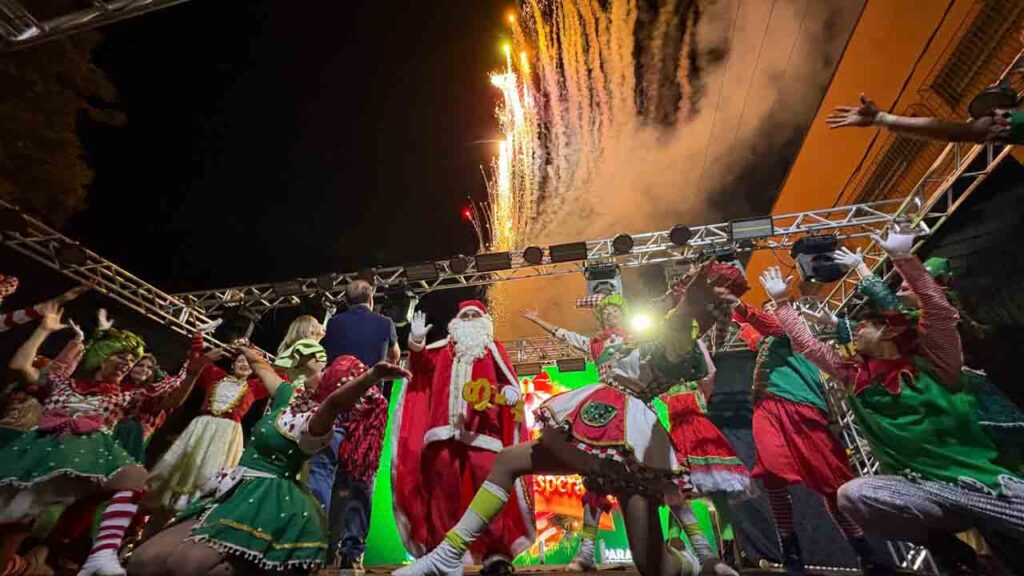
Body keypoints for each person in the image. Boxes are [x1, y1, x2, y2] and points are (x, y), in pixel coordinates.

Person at [394, 271, 715, 576]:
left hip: (630, 437)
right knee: (509, 460)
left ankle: (695, 563)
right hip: (600, 416)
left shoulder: (672, 347)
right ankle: (446, 555)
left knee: (654, 567)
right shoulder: (628, 340)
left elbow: (682, 321)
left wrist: (693, 292)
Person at [761, 225, 1024, 575]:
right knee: (853, 495)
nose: (854, 332)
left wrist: (902, 258)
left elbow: (938, 311)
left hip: (982, 483)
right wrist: (782, 304)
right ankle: (950, 549)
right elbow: (809, 346)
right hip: (925, 491)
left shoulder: (935, 362)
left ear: (886, 331)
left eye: (863, 327)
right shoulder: (854, 376)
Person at [127, 351, 411, 576]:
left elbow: (334, 404)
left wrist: (372, 376)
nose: (317, 372)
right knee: (142, 561)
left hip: (268, 501)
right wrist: (246, 350)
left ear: (330, 385)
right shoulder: (289, 397)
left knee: (186, 566)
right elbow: (262, 368)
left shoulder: (318, 422)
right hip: (234, 489)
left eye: (325, 372)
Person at [522, 293, 740, 575]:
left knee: (667, 483)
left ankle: (707, 556)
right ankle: (585, 554)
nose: (610, 314)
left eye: (614, 310)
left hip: (636, 415)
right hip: (605, 419)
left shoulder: (639, 339)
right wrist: (538, 320)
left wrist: (683, 307)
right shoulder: (594, 343)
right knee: (595, 486)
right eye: (605, 312)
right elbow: (564, 335)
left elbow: (672, 344)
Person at [0, 302, 200, 576]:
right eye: (121, 356)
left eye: (131, 360)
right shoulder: (62, 383)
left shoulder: (124, 396)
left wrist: (192, 372)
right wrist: (43, 330)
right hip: (34, 461)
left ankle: (103, 551)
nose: (127, 363)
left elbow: (170, 400)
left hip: (82, 461)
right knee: (8, 541)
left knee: (136, 478)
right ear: (101, 356)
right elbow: (20, 366)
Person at [717, 261, 883, 576]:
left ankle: (863, 550)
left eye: (774, 306)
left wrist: (747, 307)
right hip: (767, 409)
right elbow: (750, 328)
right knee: (772, 477)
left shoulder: (795, 333)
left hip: (802, 408)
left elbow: (770, 324)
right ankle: (790, 549)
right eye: (768, 306)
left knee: (831, 484)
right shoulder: (764, 343)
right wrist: (726, 301)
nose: (770, 309)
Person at [393, 300, 533, 576]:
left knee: (491, 491)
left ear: (484, 322)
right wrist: (416, 342)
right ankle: (444, 553)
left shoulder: (493, 349)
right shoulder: (442, 351)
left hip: (485, 432)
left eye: (474, 315)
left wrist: (509, 392)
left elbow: (507, 380)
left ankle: (495, 554)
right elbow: (419, 371)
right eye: (465, 315)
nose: (469, 320)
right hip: (442, 432)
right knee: (443, 495)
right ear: (455, 322)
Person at [310, 280, 398, 571]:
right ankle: (351, 554)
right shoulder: (385, 323)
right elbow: (395, 358)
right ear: (371, 298)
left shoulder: (333, 324)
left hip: (334, 404)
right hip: (367, 408)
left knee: (322, 473)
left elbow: (323, 359)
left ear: (345, 301)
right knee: (361, 477)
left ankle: (314, 545)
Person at [146, 340, 270, 513]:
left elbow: (281, 377)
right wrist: (202, 341)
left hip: (226, 434)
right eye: (241, 361)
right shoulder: (215, 376)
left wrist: (256, 357)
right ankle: (163, 504)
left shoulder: (254, 387)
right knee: (184, 465)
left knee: (210, 472)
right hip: (202, 427)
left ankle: (194, 508)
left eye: (249, 363)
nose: (244, 365)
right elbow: (196, 361)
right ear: (233, 363)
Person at [661, 339, 750, 576]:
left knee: (719, 496)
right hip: (678, 439)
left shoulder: (701, 383)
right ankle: (675, 544)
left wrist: (698, 342)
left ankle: (728, 553)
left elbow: (710, 370)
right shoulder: (666, 388)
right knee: (679, 492)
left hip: (703, 438)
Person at [826, 93, 1024, 144]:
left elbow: (963, 132)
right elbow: (961, 131)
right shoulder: (1011, 121)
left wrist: (882, 119)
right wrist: (881, 119)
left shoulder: (1012, 121)